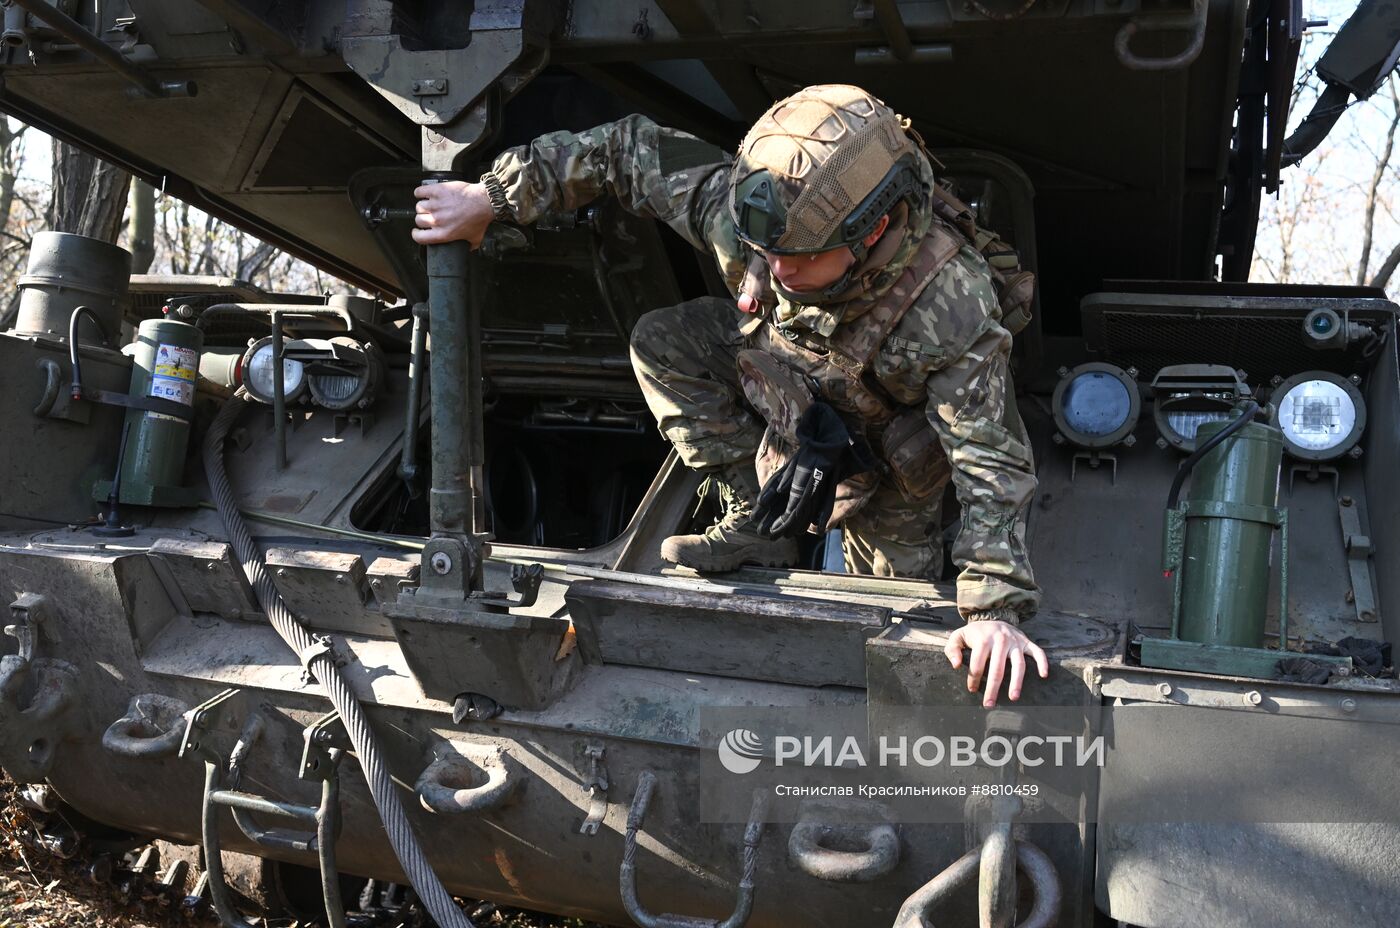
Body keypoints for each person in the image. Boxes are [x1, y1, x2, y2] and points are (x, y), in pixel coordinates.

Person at [411, 84, 1048, 706]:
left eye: (795, 258)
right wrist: (492, 198)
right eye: (760, 251)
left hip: (889, 446)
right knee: (665, 340)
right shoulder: (752, 223)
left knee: (883, 625)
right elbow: (627, 150)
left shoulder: (949, 303)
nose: (773, 270)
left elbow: (990, 457)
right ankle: (763, 519)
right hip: (797, 381)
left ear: (872, 230)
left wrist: (995, 606)